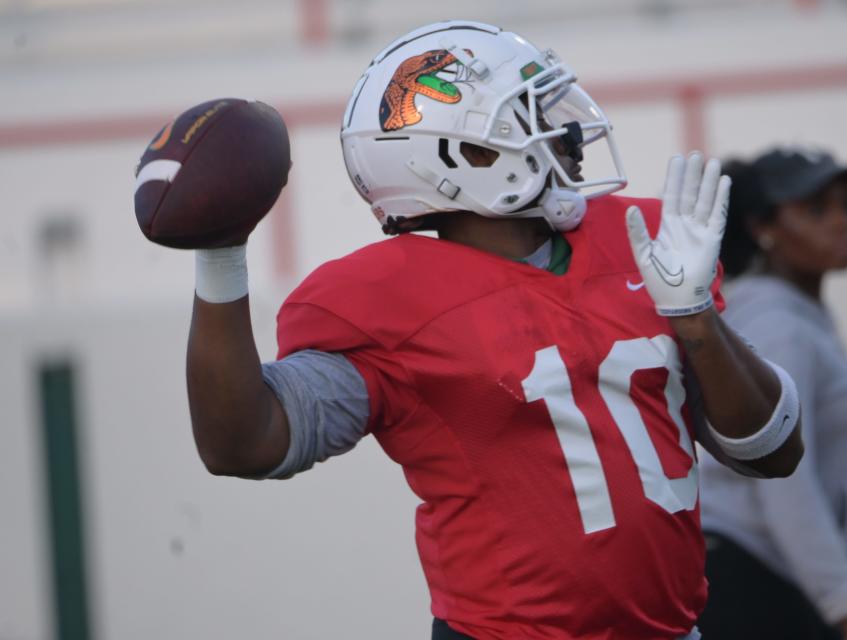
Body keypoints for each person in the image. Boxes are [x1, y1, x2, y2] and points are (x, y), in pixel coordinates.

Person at [182, 21, 803, 640]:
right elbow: (245, 443)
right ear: (462, 155)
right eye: (531, 114)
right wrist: (219, 257)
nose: (569, 134)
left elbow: (774, 450)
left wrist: (696, 322)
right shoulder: (392, 300)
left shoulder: (638, 244)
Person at [696, 147, 847, 640]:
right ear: (763, 227)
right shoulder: (779, 325)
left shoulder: (794, 315)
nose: (842, 222)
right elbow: (785, 488)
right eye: (817, 209)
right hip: (750, 582)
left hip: (762, 575)